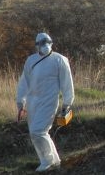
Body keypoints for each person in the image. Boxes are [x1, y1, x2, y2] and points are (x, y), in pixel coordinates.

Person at [16, 32, 74, 172]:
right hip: (32, 100)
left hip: (49, 99)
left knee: (39, 130)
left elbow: (67, 83)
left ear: (51, 42)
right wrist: (20, 101)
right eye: (41, 43)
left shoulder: (60, 60)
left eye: (46, 41)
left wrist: (67, 103)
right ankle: (52, 161)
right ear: (36, 46)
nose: (44, 45)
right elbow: (24, 82)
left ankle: (48, 161)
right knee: (35, 133)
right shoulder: (31, 60)